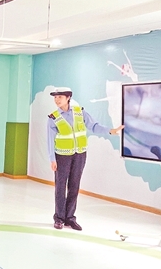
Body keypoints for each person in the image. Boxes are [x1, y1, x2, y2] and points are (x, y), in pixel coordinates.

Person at [46, 86, 123, 231]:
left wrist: (110, 131)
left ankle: (70, 218)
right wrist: (52, 159)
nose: (57, 100)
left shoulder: (79, 112)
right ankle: (59, 218)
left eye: (60, 97)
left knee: (74, 186)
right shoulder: (53, 117)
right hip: (62, 156)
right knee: (60, 187)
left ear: (68, 97)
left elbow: (93, 126)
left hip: (80, 154)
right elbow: (50, 140)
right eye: (55, 97)